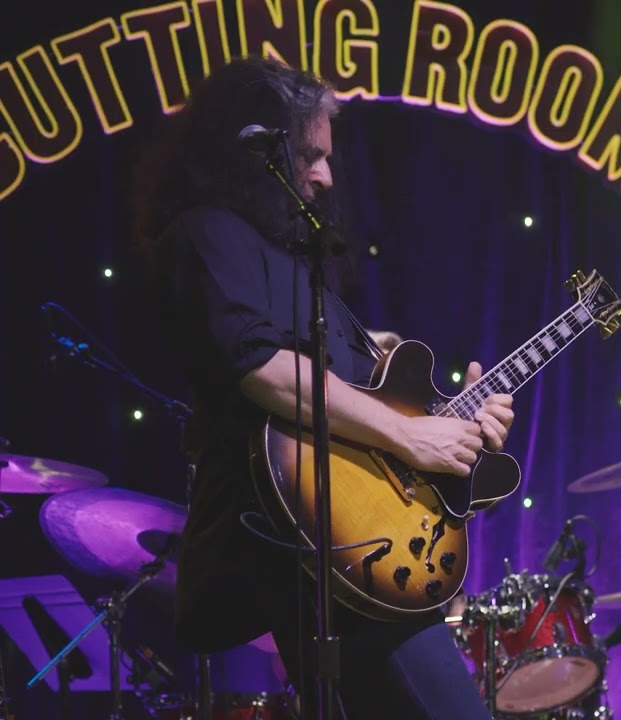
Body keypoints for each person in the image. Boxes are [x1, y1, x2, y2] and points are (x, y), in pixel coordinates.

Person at [130, 56, 514, 719]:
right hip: (308, 550)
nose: (325, 176)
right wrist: (412, 435)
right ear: (252, 151)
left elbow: (356, 418)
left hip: (357, 552)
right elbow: (264, 370)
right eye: (309, 155)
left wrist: (455, 428)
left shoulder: (299, 267)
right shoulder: (206, 234)